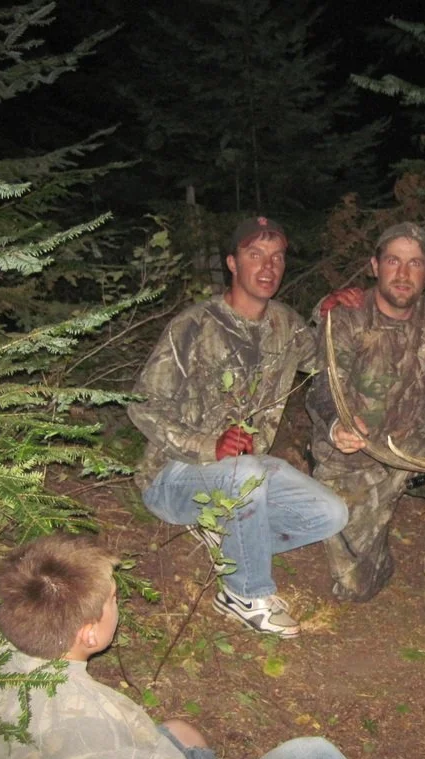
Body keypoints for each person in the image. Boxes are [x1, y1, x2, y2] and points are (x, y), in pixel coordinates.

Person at [0, 536, 373, 759]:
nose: (121, 605)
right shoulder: (106, 733)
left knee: (179, 733)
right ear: (89, 633)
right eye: (114, 600)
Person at [128, 216, 350, 638]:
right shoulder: (193, 326)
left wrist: (338, 310)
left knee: (331, 513)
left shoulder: (285, 326)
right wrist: (207, 445)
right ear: (232, 263)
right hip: (172, 476)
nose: (267, 267)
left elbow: (327, 360)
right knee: (246, 474)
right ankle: (243, 592)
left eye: (277, 257)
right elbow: (141, 406)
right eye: (254, 255)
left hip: (243, 475)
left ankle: (226, 532)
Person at [305, 222, 425, 638]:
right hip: (352, 453)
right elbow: (321, 391)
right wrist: (336, 425)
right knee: (355, 587)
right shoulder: (344, 316)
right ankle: (376, 549)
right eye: (393, 261)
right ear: (374, 266)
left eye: (415, 263)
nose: (403, 274)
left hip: (411, 444)